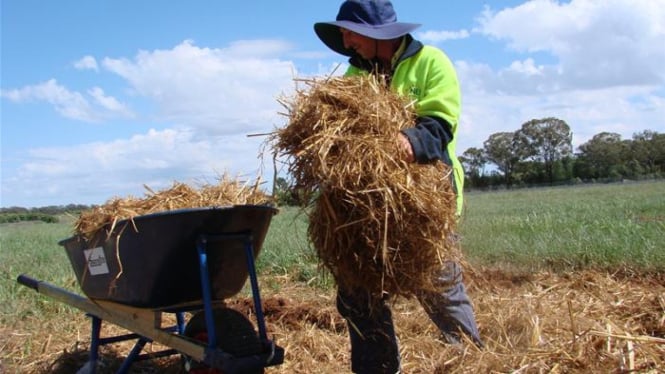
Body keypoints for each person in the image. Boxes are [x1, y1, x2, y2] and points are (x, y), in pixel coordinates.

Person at [313, 0, 483, 372]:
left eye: (349, 31)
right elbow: (336, 132)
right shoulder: (353, 80)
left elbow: (439, 124)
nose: (345, 39)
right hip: (366, 210)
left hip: (424, 203)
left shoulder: (431, 62)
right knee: (358, 294)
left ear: (376, 32)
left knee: (440, 289)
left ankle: (474, 361)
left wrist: (410, 141)